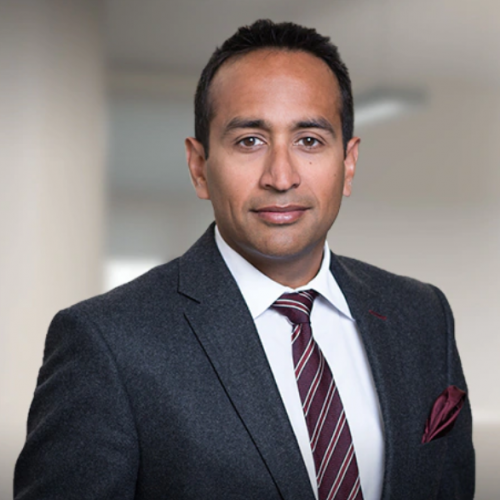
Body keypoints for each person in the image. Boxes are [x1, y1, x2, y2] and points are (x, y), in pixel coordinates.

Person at [15, 19, 474, 500]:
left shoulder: (422, 316)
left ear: (348, 162)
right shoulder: (107, 342)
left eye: (309, 140)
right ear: (199, 167)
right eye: (249, 141)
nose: (281, 176)